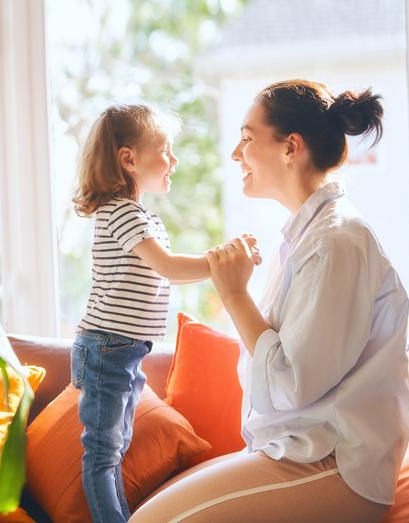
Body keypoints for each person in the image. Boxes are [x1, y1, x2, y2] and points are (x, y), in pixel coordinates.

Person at [130, 80, 409, 522]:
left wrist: (235, 294)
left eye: (246, 139)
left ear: (290, 148)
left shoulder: (335, 242)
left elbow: (290, 384)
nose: (234, 155)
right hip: (298, 452)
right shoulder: (307, 240)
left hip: (336, 465)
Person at [71, 103, 260, 523]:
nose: (173, 161)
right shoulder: (120, 212)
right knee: (103, 452)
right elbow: (171, 267)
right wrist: (225, 259)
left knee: (114, 449)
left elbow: (170, 274)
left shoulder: (143, 218)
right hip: (106, 348)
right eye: (165, 150)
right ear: (129, 159)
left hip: (124, 350)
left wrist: (228, 256)